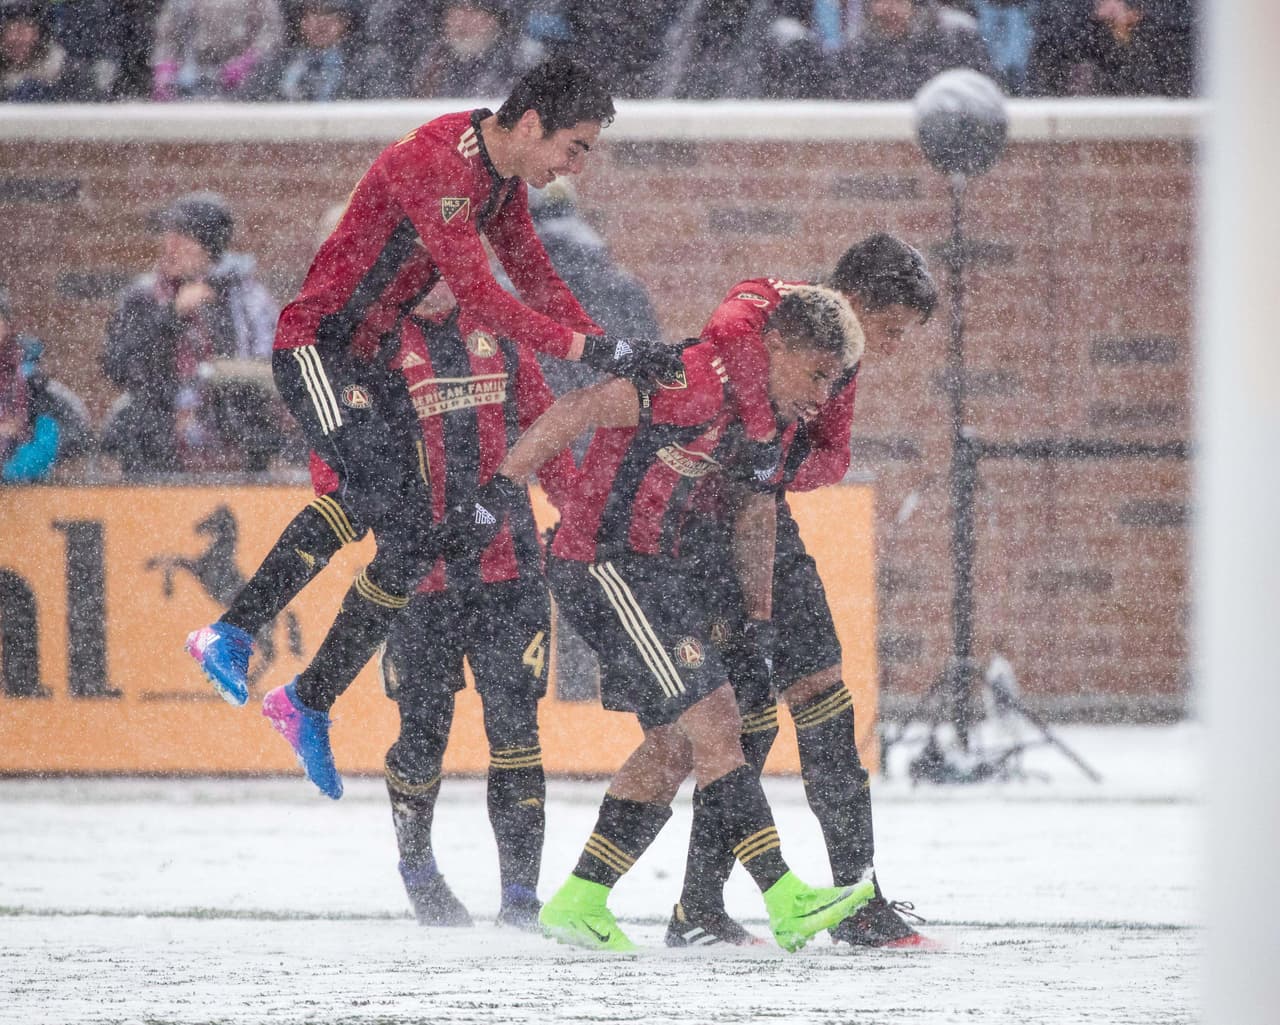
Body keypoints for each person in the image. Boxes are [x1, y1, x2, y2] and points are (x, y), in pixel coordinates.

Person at [185, 57, 681, 799]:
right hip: (318, 346)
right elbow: (481, 295)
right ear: (532, 124)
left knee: (413, 539)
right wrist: (595, 348)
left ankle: (307, 699)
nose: (576, 164)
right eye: (574, 147)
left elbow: (539, 278)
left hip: (373, 364)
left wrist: (617, 356)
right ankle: (232, 631)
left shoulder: (501, 178)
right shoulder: (438, 162)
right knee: (377, 503)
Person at [462, 284, 875, 952]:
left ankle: (579, 898)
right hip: (603, 563)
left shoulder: (768, 423)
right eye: (817, 372)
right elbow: (578, 407)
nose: (825, 394)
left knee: (676, 742)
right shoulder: (696, 383)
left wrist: (761, 623)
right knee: (716, 721)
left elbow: (756, 512)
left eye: (835, 379)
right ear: (774, 346)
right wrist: (501, 487)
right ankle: (785, 896)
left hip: (656, 572)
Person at [665, 234, 940, 950]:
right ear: (855, 299)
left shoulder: (839, 368)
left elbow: (833, 457)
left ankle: (857, 895)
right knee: (743, 716)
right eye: (890, 330)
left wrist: (770, 470)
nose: (890, 347)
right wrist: (763, 442)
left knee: (824, 691)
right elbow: (726, 330)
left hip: (766, 517)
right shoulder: (771, 304)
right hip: (700, 525)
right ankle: (697, 906)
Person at [378, 306, 576, 931]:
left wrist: (577, 509)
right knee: (422, 735)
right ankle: (417, 868)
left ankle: (520, 899)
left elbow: (548, 430)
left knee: (516, 731)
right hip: (421, 579)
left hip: (510, 572)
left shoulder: (503, 330)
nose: (441, 271)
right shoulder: (379, 342)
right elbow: (341, 452)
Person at [100, 191, 280, 476]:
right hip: (158, 447)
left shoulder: (249, 300)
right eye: (168, 235)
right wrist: (171, 316)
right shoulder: (144, 297)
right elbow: (120, 365)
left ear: (210, 247)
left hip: (234, 442)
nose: (169, 247)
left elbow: (269, 369)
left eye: (183, 238)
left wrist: (221, 376)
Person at [0, 288, 90, 483]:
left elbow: (67, 431)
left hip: (22, 495)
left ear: (7, 326)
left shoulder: (33, 383)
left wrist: (12, 471)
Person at [833, 0, 993, 100]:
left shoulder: (957, 37)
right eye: (879, 1)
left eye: (899, 1)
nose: (889, 9)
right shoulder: (857, 50)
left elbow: (986, 96)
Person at [151, 0, 284, 100]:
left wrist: (249, 60)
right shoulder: (180, 3)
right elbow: (168, 35)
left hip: (244, 79)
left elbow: (272, 31)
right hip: (191, 75)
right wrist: (165, 68)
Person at [244, 0, 372, 102]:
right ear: (300, 20)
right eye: (313, 11)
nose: (321, 22)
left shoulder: (367, 65)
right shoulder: (275, 63)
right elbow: (246, 105)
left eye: (331, 12)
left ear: (346, 22)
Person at [0, 0, 94, 102]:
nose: (17, 38)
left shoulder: (66, 74)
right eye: (11, 28)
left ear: (39, 33)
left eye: (25, 28)